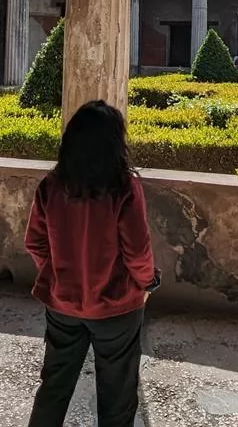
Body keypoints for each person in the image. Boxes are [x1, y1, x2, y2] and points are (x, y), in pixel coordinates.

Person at [26, 100, 161, 427]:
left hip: (63, 304)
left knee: (53, 388)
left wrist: (58, 274)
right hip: (116, 307)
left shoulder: (52, 184)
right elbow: (137, 252)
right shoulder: (124, 187)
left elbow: (35, 242)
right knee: (117, 396)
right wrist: (147, 283)